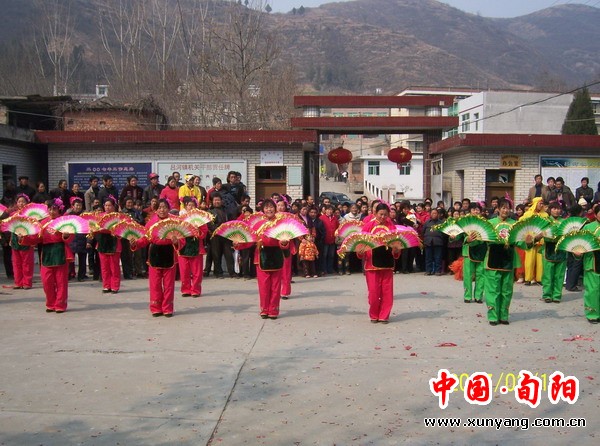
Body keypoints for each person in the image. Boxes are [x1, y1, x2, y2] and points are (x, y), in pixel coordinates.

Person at [20, 198, 74, 313]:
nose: (51, 211)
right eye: (50, 209)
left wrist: (66, 236)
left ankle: (60, 305)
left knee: (61, 281)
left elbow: (70, 237)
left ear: (59, 210)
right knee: (46, 281)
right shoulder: (43, 223)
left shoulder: (64, 221)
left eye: (54, 209)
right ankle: (50, 303)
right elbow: (36, 238)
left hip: (60, 252)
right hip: (47, 253)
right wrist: (24, 237)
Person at [132, 198, 182, 317]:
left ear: (168, 209)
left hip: (169, 255)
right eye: (159, 207)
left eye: (164, 207)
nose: (162, 210)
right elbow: (145, 238)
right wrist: (135, 243)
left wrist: (176, 242)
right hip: (154, 255)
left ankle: (167, 308)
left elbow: (182, 239)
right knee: (155, 284)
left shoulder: (175, 222)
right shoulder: (151, 222)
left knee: (169, 285)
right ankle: (156, 308)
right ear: (156, 210)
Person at [484, 198, 527, 326]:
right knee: (493, 290)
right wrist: (470, 239)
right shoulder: (489, 223)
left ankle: (504, 315)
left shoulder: (515, 224)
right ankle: (493, 316)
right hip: (492, 259)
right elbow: (481, 241)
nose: (505, 210)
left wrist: (529, 241)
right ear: (498, 209)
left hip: (508, 259)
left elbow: (520, 242)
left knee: (506, 290)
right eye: (503, 207)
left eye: (508, 208)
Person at [357, 203, 401, 324]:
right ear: (375, 213)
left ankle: (384, 316)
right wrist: (360, 252)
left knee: (387, 292)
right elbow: (361, 243)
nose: (383, 217)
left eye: (385, 215)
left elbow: (397, 244)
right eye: (381, 214)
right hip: (372, 264)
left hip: (387, 263)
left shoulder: (391, 227)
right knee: (373, 293)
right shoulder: (368, 226)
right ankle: (374, 314)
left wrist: (396, 250)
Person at [248, 199, 289, 319]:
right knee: (263, 286)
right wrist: (238, 244)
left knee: (276, 287)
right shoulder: (258, 225)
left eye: (271, 207)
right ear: (263, 210)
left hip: (276, 257)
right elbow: (250, 240)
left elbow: (286, 242)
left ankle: (273, 310)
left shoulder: (281, 224)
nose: (269, 209)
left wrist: (284, 243)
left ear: (275, 209)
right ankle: (264, 309)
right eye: (266, 207)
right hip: (262, 257)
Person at [178, 197, 208, 298]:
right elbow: (177, 231)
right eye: (189, 205)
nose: (191, 207)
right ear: (185, 207)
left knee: (197, 271)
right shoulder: (181, 218)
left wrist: (197, 230)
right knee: (184, 271)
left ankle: (195, 290)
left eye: (193, 205)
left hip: (197, 247)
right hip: (183, 247)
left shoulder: (200, 219)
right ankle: (186, 289)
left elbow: (204, 233)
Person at [458, 203, 486, 304]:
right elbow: (458, 235)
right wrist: (455, 236)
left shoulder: (485, 223)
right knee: (468, 275)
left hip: (482, 251)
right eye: (473, 209)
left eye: (478, 210)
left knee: (481, 275)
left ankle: (478, 296)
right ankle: (467, 296)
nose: (476, 211)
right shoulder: (465, 221)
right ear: (470, 211)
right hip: (468, 252)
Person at [540, 202, 567, 303]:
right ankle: (547, 295)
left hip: (561, 249)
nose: (556, 211)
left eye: (558, 209)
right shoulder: (545, 221)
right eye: (554, 208)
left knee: (559, 275)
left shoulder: (564, 222)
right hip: (548, 249)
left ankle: (557, 295)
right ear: (550, 210)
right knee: (548, 274)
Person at [96, 197, 122, 294]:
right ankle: (106, 285)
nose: (107, 207)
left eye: (109, 205)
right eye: (106, 205)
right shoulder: (99, 217)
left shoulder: (118, 217)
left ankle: (115, 286)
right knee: (104, 267)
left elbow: (121, 231)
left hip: (114, 243)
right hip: (102, 243)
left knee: (114, 267)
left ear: (113, 206)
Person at [9, 194, 35, 289]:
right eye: (19, 201)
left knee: (27, 263)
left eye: (23, 201)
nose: (21, 203)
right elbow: (11, 228)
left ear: (27, 203)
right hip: (15, 240)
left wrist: (32, 240)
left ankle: (27, 283)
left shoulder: (31, 216)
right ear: (16, 203)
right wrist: (11, 239)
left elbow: (34, 228)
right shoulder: (13, 215)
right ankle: (18, 282)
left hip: (27, 240)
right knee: (16, 263)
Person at [205, 193, 234, 278]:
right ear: (212, 201)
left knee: (229, 254)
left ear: (221, 201)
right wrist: (218, 229)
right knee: (216, 255)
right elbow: (210, 224)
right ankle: (218, 272)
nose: (217, 202)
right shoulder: (210, 212)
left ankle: (232, 272)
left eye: (218, 200)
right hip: (215, 236)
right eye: (215, 200)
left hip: (226, 235)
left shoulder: (226, 210)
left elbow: (231, 221)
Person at [522, 197, 548, 285]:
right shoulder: (527, 214)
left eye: (542, 203)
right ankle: (528, 278)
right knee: (529, 260)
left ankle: (540, 279)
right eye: (540, 203)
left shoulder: (545, 215)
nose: (542, 205)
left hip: (541, 240)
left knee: (540, 261)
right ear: (535, 204)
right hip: (531, 239)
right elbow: (522, 224)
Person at [582, 205, 600, 323]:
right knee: (593, 290)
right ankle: (592, 314)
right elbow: (580, 245)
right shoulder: (588, 227)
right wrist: (578, 253)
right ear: (595, 214)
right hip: (592, 262)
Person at [65, 197, 88, 282]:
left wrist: (88, 241)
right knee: (70, 259)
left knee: (82, 259)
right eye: (77, 205)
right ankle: (69, 274)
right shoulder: (68, 216)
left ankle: (81, 275)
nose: (78, 207)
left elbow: (89, 228)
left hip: (82, 239)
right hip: (72, 239)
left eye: (80, 205)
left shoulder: (85, 216)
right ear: (73, 206)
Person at [422, 208, 445, 276]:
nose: (434, 214)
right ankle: (428, 270)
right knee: (428, 257)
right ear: (430, 214)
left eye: (435, 213)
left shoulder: (441, 223)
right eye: (432, 213)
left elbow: (444, 233)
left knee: (438, 257)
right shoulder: (427, 222)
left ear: (438, 214)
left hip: (438, 242)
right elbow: (423, 232)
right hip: (428, 242)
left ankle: (438, 271)